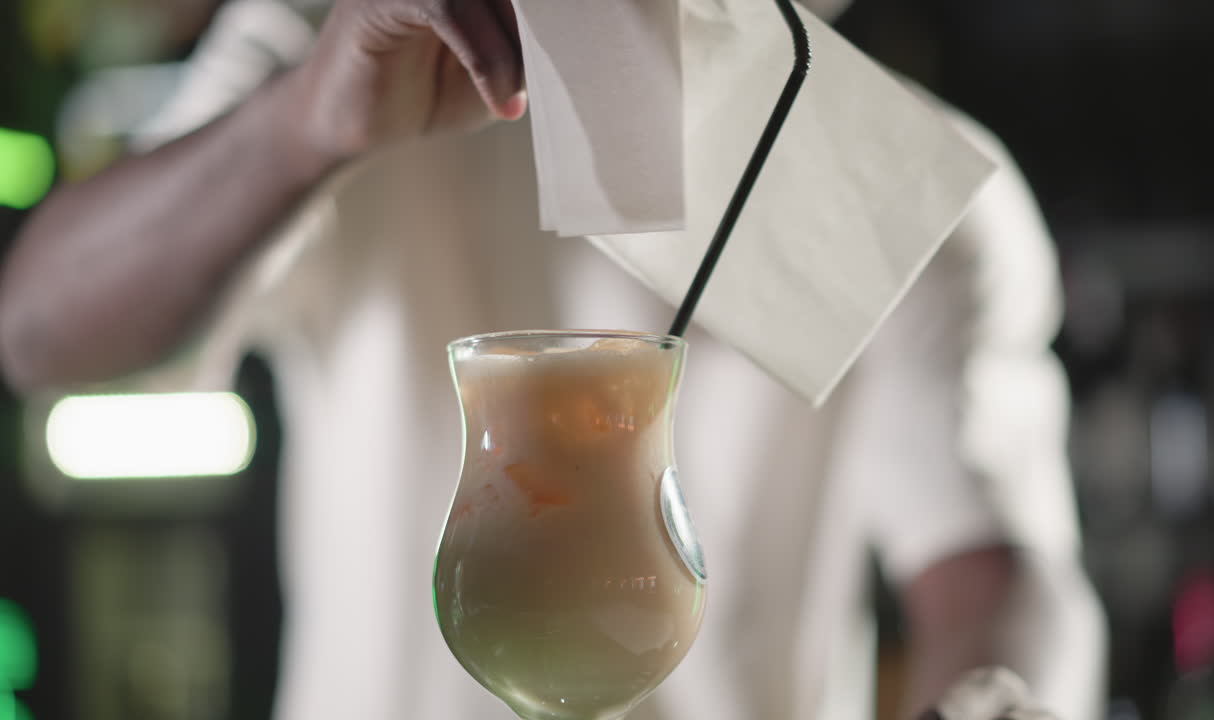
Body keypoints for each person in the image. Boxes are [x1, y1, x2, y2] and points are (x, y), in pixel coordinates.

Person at [0, 0, 1105, 718]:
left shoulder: (911, 195)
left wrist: (993, 701)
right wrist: (300, 129)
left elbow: (994, 566)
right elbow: (38, 329)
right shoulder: (356, 28)